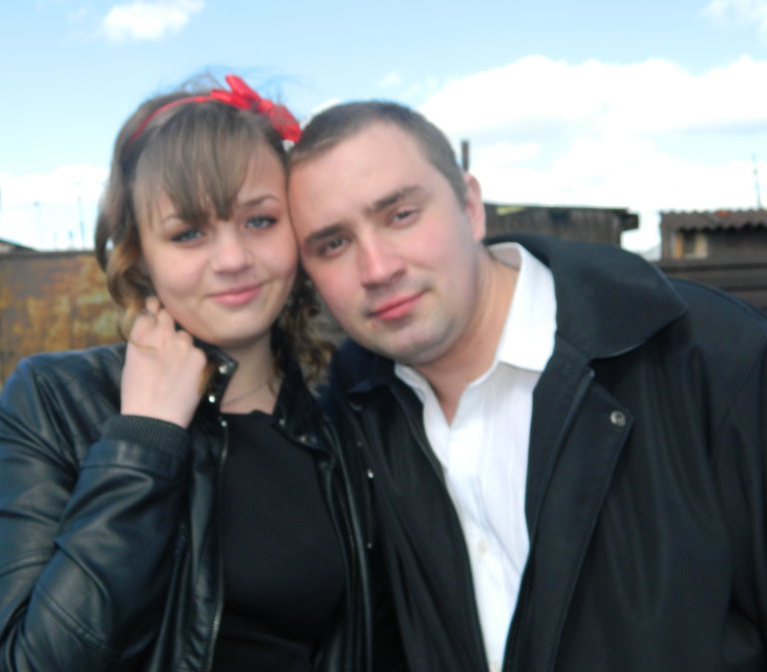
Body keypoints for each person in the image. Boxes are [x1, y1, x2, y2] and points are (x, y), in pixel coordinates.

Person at [286, 100, 767, 672]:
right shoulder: (349, 420)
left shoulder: (707, 357)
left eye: (401, 215)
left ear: (470, 207)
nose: (377, 268)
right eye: (333, 244)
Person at [0, 75, 400, 672]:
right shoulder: (55, 400)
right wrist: (144, 439)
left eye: (259, 221)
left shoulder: (342, 428)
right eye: (189, 233)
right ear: (139, 254)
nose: (232, 260)